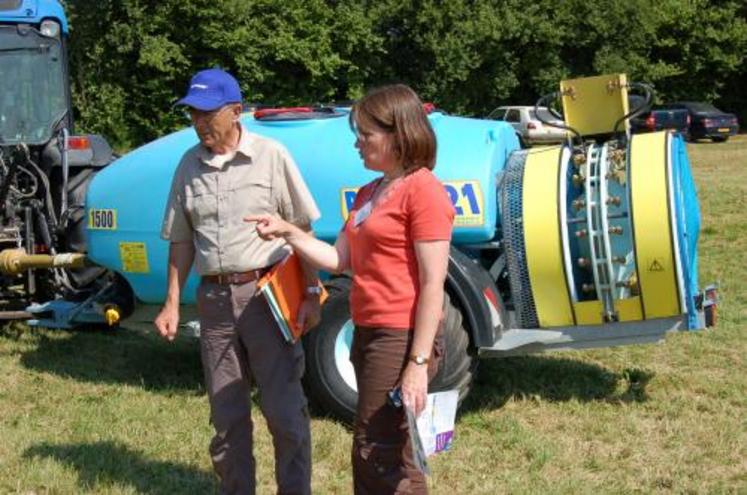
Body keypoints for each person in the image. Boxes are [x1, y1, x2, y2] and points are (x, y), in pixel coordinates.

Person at [246, 84, 455, 494]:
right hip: (367, 331)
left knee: (374, 448)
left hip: (400, 337)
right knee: (393, 449)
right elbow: (338, 260)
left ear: (397, 134)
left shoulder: (423, 190)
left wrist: (416, 363)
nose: (357, 143)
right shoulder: (369, 193)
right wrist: (288, 232)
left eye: (365, 134)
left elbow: (433, 283)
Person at [154, 68, 321, 495]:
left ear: (236, 111)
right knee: (227, 417)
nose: (199, 122)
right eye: (193, 113)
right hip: (214, 302)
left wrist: (311, 290)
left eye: (208, 113)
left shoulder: (271, 155)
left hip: (266, 297)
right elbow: (181, 240)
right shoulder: (188, 165)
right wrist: (172, 303)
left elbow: (301, 228)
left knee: (284, 414)